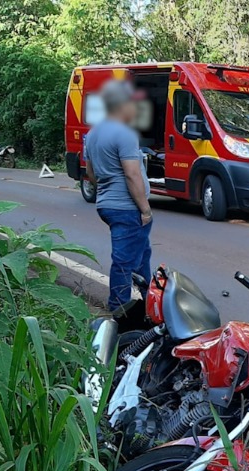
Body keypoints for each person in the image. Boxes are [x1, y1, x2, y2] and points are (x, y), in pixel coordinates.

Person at [83, 79, 152, 325]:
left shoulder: (92, 135)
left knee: (142, 256)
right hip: (127, 207)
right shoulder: (124, 134)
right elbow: (132, 174)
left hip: (106, 204)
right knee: (124, 261)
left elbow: (91, 174)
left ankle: (150, 304)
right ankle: (118, 314)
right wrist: (145, 209)